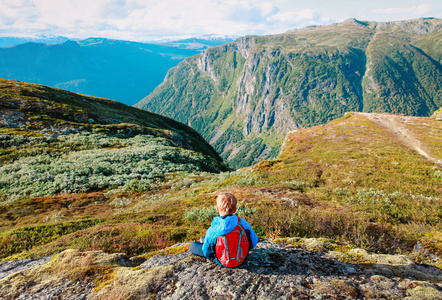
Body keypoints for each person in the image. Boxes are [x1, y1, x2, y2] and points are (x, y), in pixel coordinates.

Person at [190, 192, 259, 267]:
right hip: (241, 259)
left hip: (222, 261)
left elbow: (206, 252)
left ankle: (204, 240)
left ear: (217, 209)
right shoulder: (242, 222)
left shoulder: (214, 228)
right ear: (235, 210)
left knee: (193, 245)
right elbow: (253, 242)